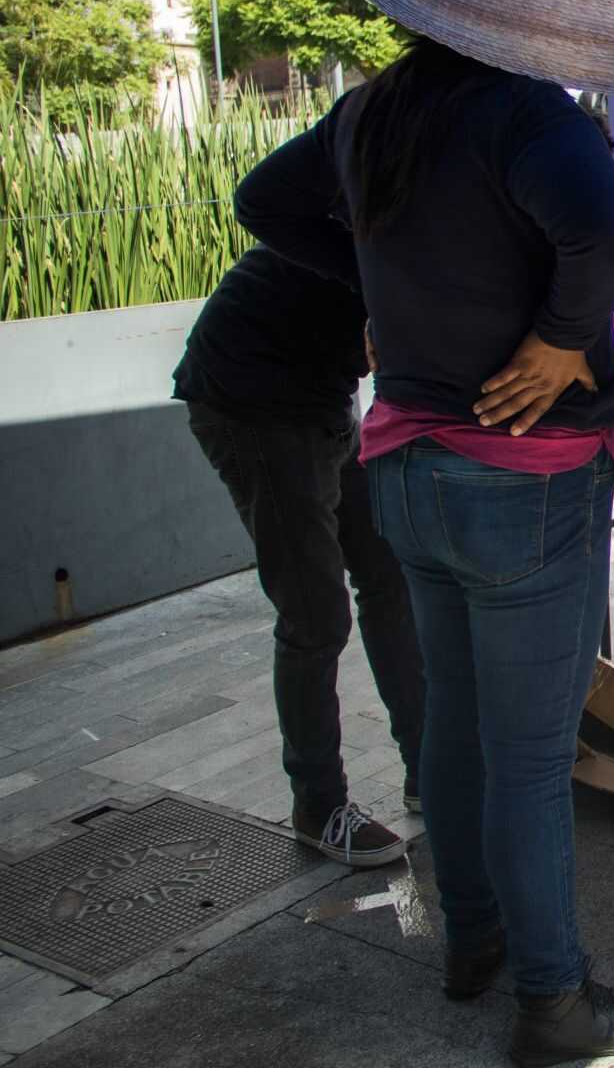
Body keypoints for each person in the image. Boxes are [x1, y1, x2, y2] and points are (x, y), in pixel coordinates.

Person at [231, 0, 614, 1068]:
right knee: (529, 757)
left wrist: (383, 287)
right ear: (527, 27)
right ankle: (555, 1004)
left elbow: (264, 203)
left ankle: (472, 942)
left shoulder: (374, 109)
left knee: (457, 730)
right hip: (522, 480)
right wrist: (560, 335)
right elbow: (613, 238)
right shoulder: (525, 113)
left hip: (406, 467)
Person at [173, 245, 425, 868]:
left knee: (389, 573)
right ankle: (318, 805)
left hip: (320, 392)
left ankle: (430, 767)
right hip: (252, 401)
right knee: (315, 614)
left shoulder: (441, 230)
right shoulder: (396, 214)